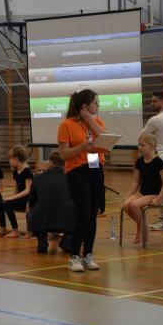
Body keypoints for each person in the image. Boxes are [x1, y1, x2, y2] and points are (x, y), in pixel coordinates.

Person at [58, 89, 106, 272]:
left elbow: (105, 139)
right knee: (83, 215)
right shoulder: (67, 125)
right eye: (95, 103)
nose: (97, 106)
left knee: (93, 215)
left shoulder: (97, 122)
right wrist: (82, 147)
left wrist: (90, 120)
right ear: (85, 106)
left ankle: (88, 254)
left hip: (96, 169)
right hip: (77, 172)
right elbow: (63, 154)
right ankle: (74, 256)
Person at [122, 133, 163, 245]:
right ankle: (144, 227)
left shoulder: (158, 162)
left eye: (142, 145)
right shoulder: (139, 161)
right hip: (142, 193)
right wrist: (128, 195)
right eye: (139, 145)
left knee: (134, 205)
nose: (139, 147)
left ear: (152, 147)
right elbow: (136, 182)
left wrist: (159, 198)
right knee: (125, 205)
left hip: (154, 194)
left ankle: (141, 231)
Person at [27, 152, 76, 253]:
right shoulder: (72, 177)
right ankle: (68, 239)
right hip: (66, 219)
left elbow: (31, 202)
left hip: (42, 220)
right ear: (65, 162)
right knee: (78, 214)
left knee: (31, 213)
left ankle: (41, 238)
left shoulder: (38, 178)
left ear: (50, 162)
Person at [140, 91, 163, 231]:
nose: (152, 104)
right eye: (152, 101)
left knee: (162, 189)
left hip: (159, 159)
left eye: (155, 101)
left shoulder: (155, 119)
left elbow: (141, 137)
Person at [0, 145, 33, 238]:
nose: (9, 161)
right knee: (0, 203)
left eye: (10, 159)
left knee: (7, 204)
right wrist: (10, 197)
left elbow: (28, 190)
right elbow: (16, 188)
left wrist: (13, 198)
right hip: (20, 198)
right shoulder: (16, 171)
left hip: (28, 200)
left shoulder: (27, 171)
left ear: (16, 159)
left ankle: (15, 230)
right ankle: (3, 228)